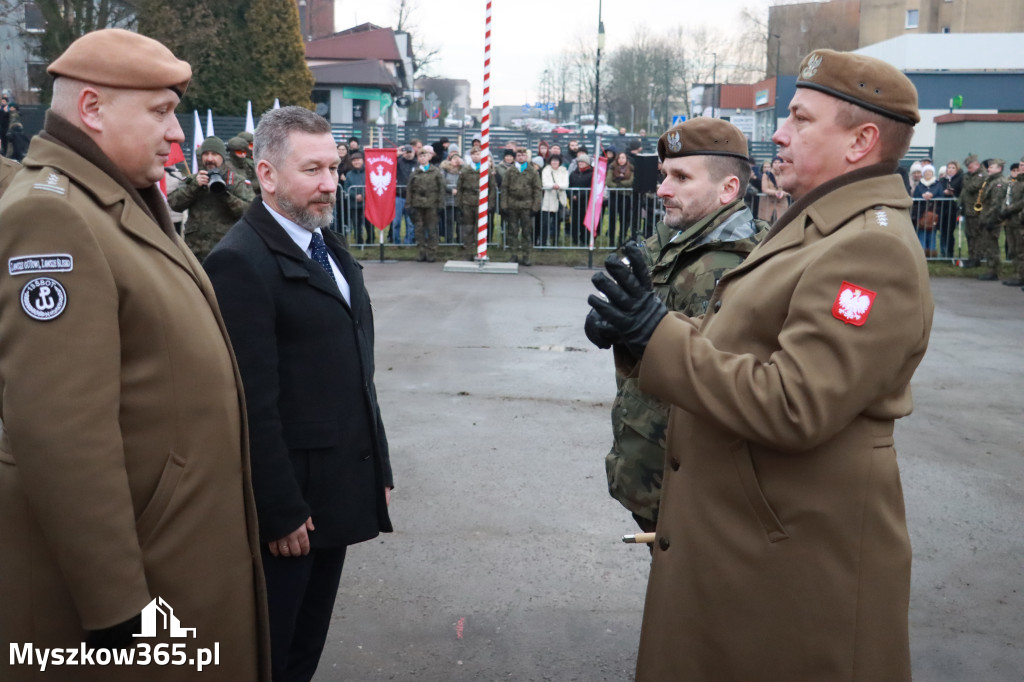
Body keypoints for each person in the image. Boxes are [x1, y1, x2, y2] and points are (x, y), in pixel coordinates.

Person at [586, 49, 933, 680]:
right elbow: (741, 340)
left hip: (788, 551)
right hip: (748, 536)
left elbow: (795, 402)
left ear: (861, 141)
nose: (779, 132)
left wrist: (658, 332)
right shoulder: (820, 226)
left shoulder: (870, 248)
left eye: (800, 118)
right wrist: (638, 337)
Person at [0, 28, 269, 680]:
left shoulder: (115, 196)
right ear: (92, 110)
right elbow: (61, 433)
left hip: (179, 555)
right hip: (141, 593)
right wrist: (117, 607)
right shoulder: (53, 214)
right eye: (159, 112)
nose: (176, 134)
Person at [205, 106, 393, 682]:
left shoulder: (326, 245)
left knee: (306, 648)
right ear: (266, 174)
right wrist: (279, 510)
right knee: (272, 654)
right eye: (313, 170)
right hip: (292, 512)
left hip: (336, 489)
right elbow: (249, 405)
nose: (331, 183)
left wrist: (377, 469)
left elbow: (357, 374)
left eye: (335, 168)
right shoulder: (240, 261)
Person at [602, 118, 767, 535]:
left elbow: (715, 380)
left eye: (680, 177)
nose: (662, 189)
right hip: (655, 467)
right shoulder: (680, 239)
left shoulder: (732, 266)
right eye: (664, 176)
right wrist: (619, 327)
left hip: (688, 482)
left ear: (728, 189)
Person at [169, 135, 254, 261]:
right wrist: (194, 187)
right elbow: (174, 204)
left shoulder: (236, 181)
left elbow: (248, 212)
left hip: (226, 250)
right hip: (195, 253)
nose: (209, 159)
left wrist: (224, 194)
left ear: (222, 157)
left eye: (214, 154)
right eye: (206, 154)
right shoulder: (193, 180)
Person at [500, 147, 542, 265]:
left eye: (523, 155)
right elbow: (504, 188)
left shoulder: (532, 171)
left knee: (527, 232)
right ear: (515, 157)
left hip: (527, 205)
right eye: (518, 155)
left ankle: (526, 255)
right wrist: (504, 205)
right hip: (512, 205)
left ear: (526, 157)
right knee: (512, 231)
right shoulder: (510, 171)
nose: (520, 157)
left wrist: (535, 207)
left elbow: (537, 190)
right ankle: (513, 254)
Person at [407, 147, 446, 262]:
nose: (423, 158)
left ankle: (431, 253)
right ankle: (421, 252)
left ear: (429, 157)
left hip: (432, 204)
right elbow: (409, 189)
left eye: (425, 156)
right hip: (418, 204)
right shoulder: (415, 172)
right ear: (418, 158)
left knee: (432, 229)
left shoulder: (436, 171)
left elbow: (441, 188)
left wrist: (440, 204)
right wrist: (409, 204)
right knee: (419, 230)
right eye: (420, 156)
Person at [456, 147, 495, 260]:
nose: (475, 156)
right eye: (473, 154)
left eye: (477, 154)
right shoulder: (465, 170)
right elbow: (460, 187)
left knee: (481, 228)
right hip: (467, 202)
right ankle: (468, 252)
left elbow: (492, 188)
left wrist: (490, 204)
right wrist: (460, 202)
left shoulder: (486, 170)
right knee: (468, 228)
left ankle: (481, 252)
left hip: (481, 202)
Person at [976, 158, 1008, 281]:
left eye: (992, 167)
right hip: (987, 216)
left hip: (992, 218)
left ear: (999, 169)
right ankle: (991, 269)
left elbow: (996, 204)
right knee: (988, 245)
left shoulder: (999, 182)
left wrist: (991, 219)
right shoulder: (990, 181)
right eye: (989, 167)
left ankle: (994, 270)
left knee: (992, 246)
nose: (989, 168)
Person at [606, 151, 634, 247]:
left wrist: (618, 183)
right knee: (612, 219)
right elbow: (608, 182)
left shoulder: (631, 168)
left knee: (624, 219)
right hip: (614, 196)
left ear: (626, 159)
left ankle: (621, 239)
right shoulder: (612, 167)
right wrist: (618, 185)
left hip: (625, 197)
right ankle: (611, 240)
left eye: (623, 158)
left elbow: (631, 182)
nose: (621, 160)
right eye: (619, 158)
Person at [912, 163, 941, 256]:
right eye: (926, 172)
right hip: (921, 213)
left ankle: (932, 253)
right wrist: (922, 196)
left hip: (934, 213)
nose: (928, 173)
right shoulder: (920, 185)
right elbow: (916, 196)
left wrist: (932, 195)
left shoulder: (937, 184)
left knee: (932, 235)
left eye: (930, 172)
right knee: (922, 233)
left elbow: (941, 195)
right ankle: (922, 254)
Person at [540, 154, 568, 246]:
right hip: (548, 200)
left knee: (557, 224)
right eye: (553, 161)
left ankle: (555, 242)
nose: (555, 162)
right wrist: (553, 186)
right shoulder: (546, 170)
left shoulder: (564, 171)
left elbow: (565, 184)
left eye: (556, 161)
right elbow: (545, 184)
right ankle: (543, 243)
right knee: (545, 224)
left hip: (559, 200)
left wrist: (558, 186)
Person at [342, 150, 367, 244]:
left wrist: (363, 195)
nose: (356, 162)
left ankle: (370, 240)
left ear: (363, 161)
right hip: (353, 204)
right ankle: (359, 241)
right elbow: (346, 187)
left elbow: (370, 185)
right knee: (356, 223)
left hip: (366, 203)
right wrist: (355, 195)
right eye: (354, 160)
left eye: (358, 160)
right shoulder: (349, 174)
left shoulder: (368, 173)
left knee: (368, 223)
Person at [393, 144, 417, 244]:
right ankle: (396, 242)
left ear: (413, 152)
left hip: (411, 197)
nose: (408, 154)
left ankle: (409, 242)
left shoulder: (417, 163)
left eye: (410, 152)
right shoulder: (398, 162)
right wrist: (396, 154)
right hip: (399, 196)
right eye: (406, 152)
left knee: (410, 222)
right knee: (396, 221)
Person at [568, 153, 593, 245]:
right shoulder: (573, 174)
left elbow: (590, 188)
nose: (580, 163)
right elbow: (569, 186)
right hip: (574, 203)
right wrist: (571, 195)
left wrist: (578, 196)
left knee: (585, 222)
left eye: (582, 162)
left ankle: (584, 239)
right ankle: (575, 240)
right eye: (579, 162)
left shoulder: (591, 174)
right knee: (575, 221)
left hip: (586, 202)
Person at [939, 159, 963, 257]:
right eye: (949, 167)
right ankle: (943, 251)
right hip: (942, 208)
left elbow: (961, 191)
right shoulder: (942, 180)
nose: (951, 170)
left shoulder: (960, 179)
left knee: (950, 232)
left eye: (953, 168)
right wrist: (943, 192)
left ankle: (949, 252)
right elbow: (938, 190)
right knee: (942, 231)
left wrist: (953, 193)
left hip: (952, 209)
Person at [757, 155, 789, 222]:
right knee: (767, 224)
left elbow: (790, 188)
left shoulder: (786, 174)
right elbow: (764, 188)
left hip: (781, 203)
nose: (777, 165)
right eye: (775, 163)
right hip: (768, 203)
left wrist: (783, 193)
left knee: (781, 224)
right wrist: (775, 193)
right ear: (772, 164)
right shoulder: (766, 174)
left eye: (779, 162)